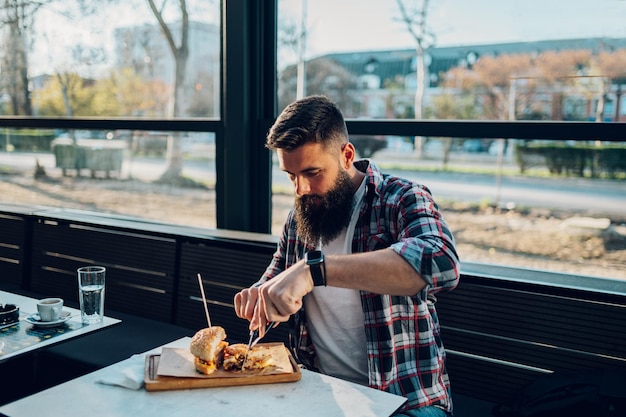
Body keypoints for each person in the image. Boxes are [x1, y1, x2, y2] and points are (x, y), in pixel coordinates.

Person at [233, 95, 460, 416]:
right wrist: (262, 299)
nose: (301, 189)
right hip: (319, 392)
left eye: (312, 172)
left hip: (405, 399)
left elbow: (442, 263)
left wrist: (315, 270)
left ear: (346, 155)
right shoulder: (300, 218)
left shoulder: (403, 199)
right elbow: (276, 279)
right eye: (291, 175)